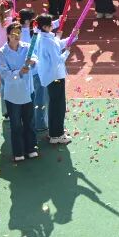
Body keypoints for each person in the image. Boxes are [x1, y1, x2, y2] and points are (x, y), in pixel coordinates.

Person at [0, 22, 38, 161]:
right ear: (8, 35)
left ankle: (31, 148)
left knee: (29, 122)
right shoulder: (2, 52)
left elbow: (35, 58)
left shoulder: (27, 47)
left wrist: (32, 62)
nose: (17, 36)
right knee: (15, 125)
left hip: (28, 91)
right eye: (14, 33)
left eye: (19, 33)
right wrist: (19, 72)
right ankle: (18, 152)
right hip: (13, 94)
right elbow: (4, 73)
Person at [34, 13, 71, 145]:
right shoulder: (47, 41)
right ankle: (57, 135)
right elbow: (57, 61)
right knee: (58, 106)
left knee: (54, 105)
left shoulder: (42, 37)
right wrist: (67, 52)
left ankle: (54, 132)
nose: (52, 26)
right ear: (45, 27)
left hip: (50, 76)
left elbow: (58, 44)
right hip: (55, 77)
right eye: (50, 24)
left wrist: (72, 37)